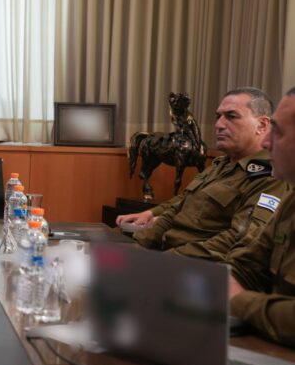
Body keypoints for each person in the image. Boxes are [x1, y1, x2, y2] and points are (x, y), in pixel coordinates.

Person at [116, 88, 288, 260]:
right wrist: (135, 245)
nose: (219, 125)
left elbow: (238, 239)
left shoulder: (270, 175)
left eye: (231, 116)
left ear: (262, 125)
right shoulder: (221, 164)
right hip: (167, 253)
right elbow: (176, 210)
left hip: (196, 263)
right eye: (218, 117)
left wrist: (165, 261)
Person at [226, 88, 295, 346]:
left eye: (278, 132)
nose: (266, 143)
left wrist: (238, 300)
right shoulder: (291, 202)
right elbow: (248, 266)